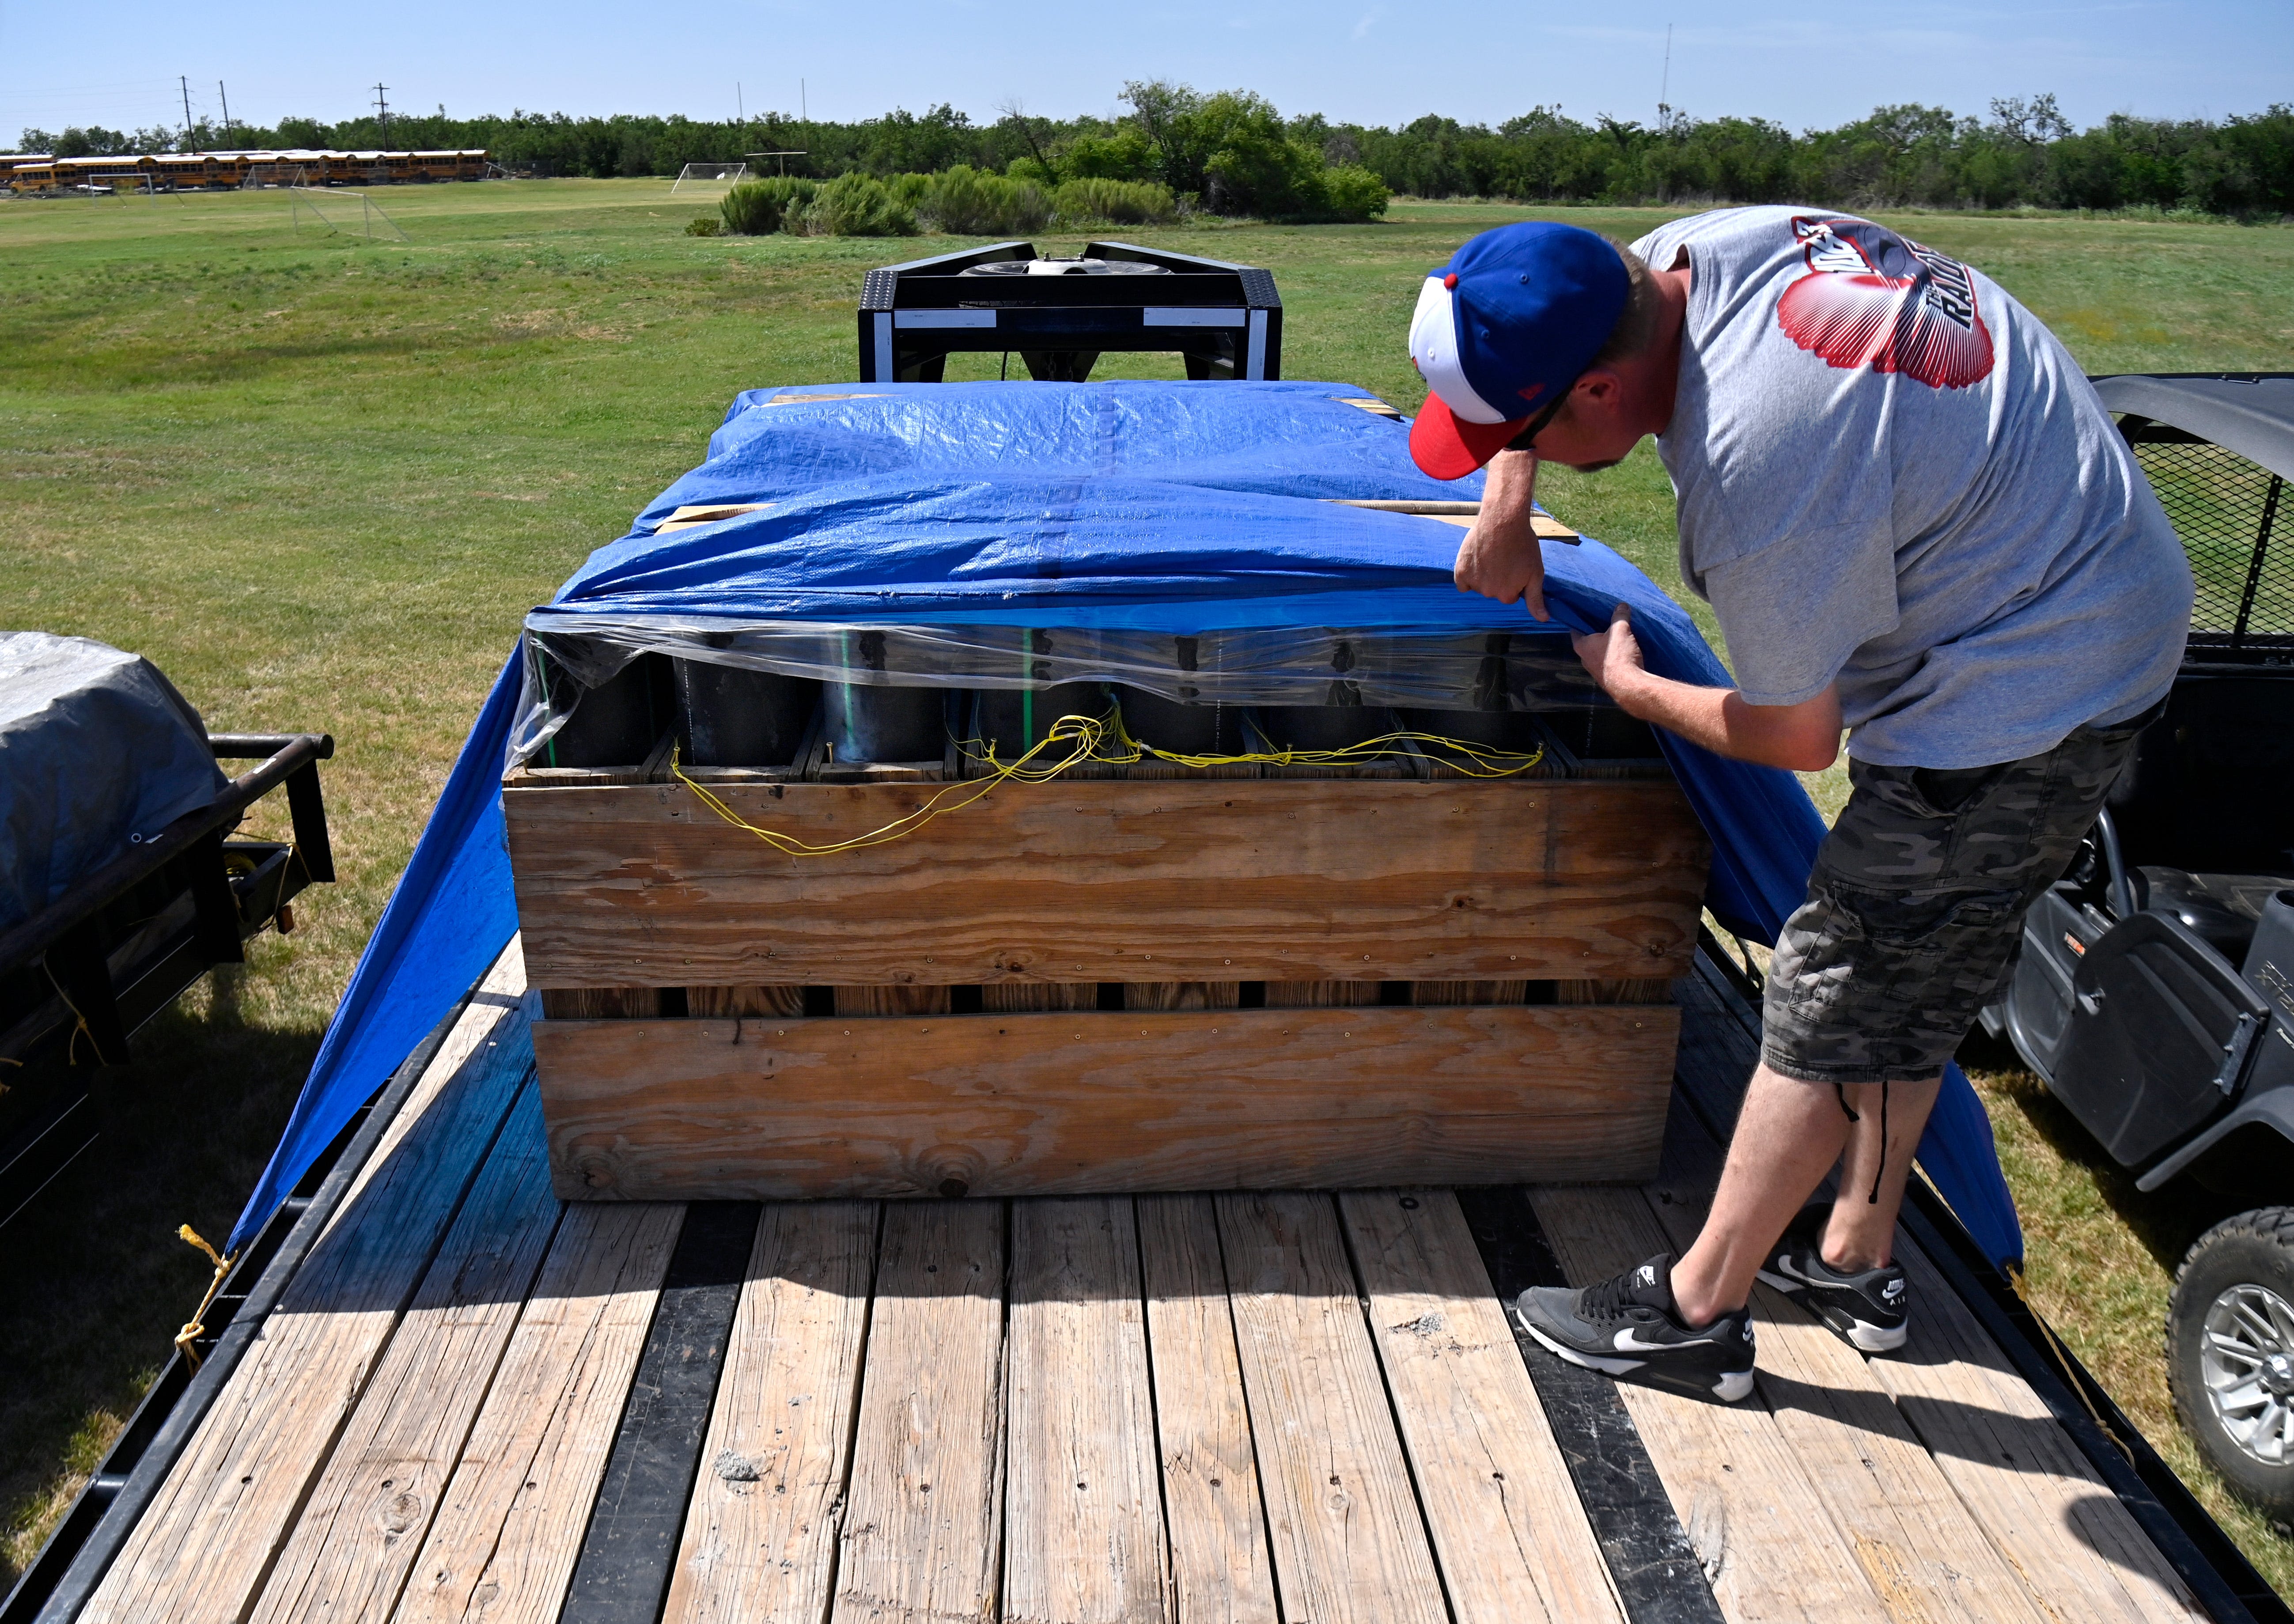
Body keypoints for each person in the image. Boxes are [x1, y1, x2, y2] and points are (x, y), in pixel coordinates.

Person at [1410, 212, 2192, 1402]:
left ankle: (1691, 1314)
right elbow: (1576, 307)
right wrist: (1501, 503)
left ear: (1604, 390)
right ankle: (1852, 1258)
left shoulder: (1764, 472)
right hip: (2084, 590)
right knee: (1920, 963)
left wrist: (1632, 687)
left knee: (1831, 982)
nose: (1511, 456)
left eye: (1517, 438)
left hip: (2033, 681)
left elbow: (1793, 736)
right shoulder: (1690, 251)